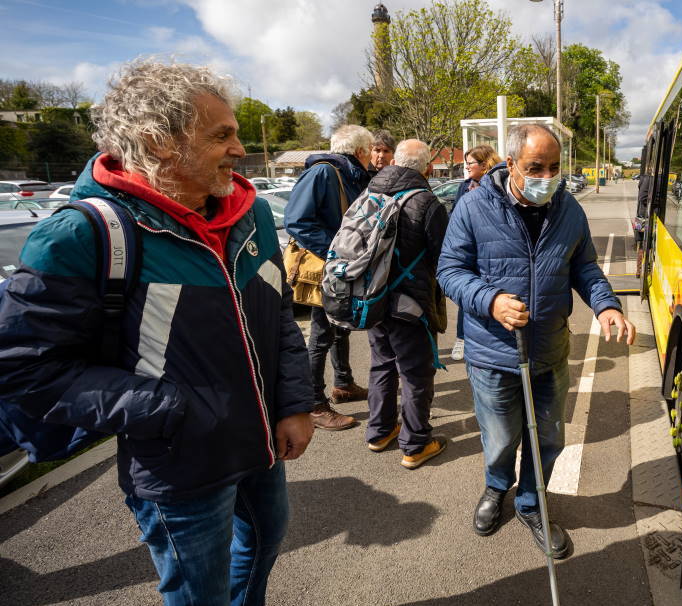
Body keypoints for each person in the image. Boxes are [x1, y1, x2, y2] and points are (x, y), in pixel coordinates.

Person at [0, 60, 314, 605]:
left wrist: (293, 402)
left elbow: (279, 316)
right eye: (223, 135)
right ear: (158, 141)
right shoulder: (81, 234)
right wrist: (167, 408)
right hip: (179, 468)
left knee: (264, 547)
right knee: (198, 595)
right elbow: (24, 368)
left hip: (262, 444)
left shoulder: (254, 214)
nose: (240, 150)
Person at [437, 124, 636, 558]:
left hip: (548, 350)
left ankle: (532, 503)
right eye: (534, 167)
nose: (546, 176)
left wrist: (606, 305)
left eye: (553, 167)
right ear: (511, 165)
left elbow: (584, 267)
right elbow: (449, 271)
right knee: (502, 436)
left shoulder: (568, 210)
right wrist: (490, 301)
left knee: (548, 437)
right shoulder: (472, 207)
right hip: (493, 354)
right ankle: (496, 489)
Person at [365, 139, 450, 469]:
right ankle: (415, 444)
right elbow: (444, 255)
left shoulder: (369, 193)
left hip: (370, 297)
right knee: (416, 374)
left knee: (381, 364)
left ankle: (380, 431)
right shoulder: (427, 203)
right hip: (410, 304)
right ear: (427, 167)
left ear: (395, 161)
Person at [285, 125, 373, 430]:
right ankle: (314, 404)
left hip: (338, 267)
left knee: (339, 327)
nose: (373, 157)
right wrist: (335, 252)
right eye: (371, 151)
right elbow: (297, 220)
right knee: (321, 334)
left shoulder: (347, 174)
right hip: (329, 266)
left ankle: (343, 384)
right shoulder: (324, 173)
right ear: (360, 151)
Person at [450, 144, 501, 361]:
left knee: (495, 295)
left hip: (494, 250)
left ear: (484, 164)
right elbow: (455, 218)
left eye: (470, 163)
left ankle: (494, 339)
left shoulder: (500, 185)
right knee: (468, 297)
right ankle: (462, 338)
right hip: (471, 251)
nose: (467, 168)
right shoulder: (464, 187)